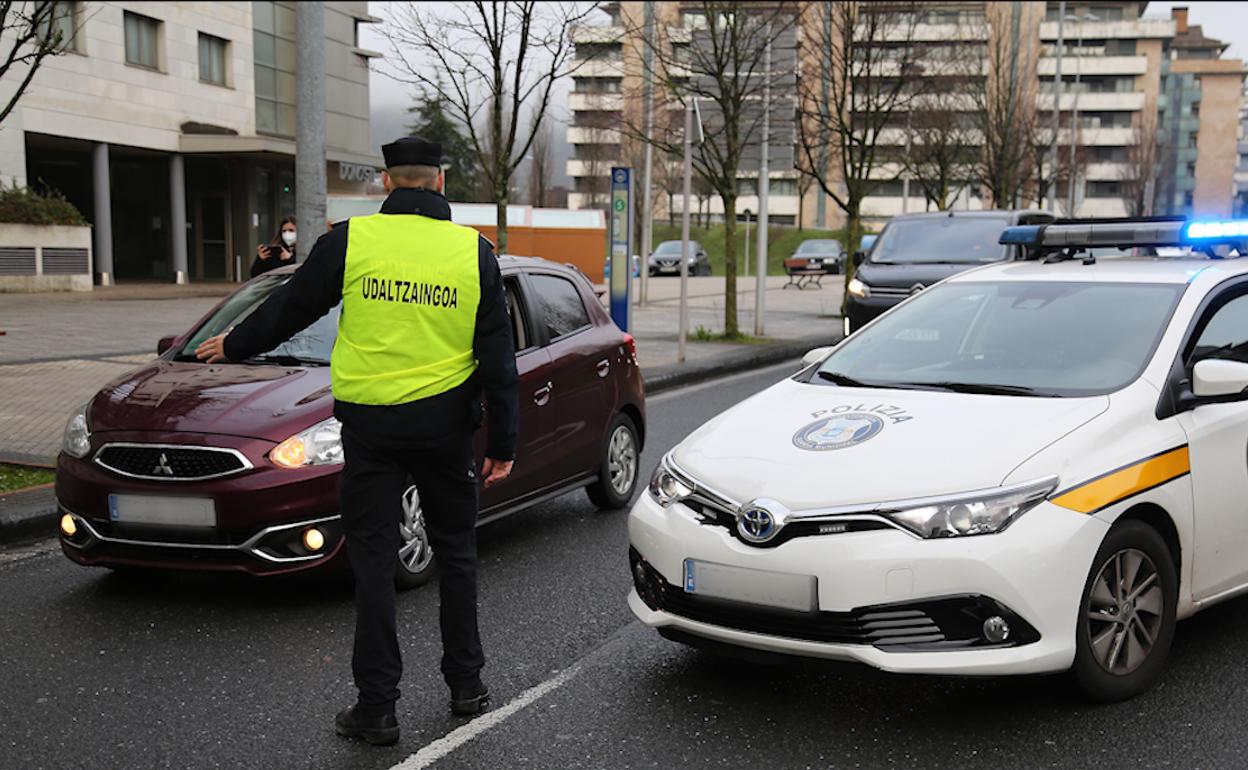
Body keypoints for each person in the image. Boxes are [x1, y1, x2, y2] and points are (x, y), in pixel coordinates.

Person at [195, 137, 519, 746]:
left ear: (387, 183)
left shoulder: (351, 241)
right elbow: (497, 357)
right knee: (457, 556)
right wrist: (503, 440)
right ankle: (467, 687)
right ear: (441, 183)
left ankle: (377, 708)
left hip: (370, 433)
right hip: (447, 429)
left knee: (371, 563)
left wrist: (235, 344)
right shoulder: (473, 253)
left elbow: (293, 304)